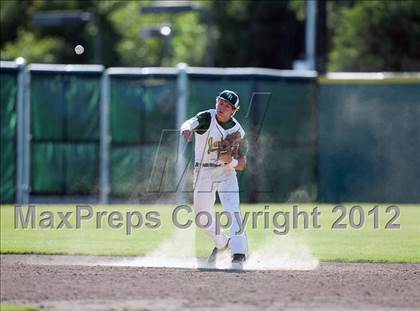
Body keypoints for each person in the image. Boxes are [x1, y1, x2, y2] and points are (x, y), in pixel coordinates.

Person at [180, 90, 248, 268]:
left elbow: (242, 163)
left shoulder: (238, 131)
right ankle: (223, 243)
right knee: (201, 217)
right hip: (203, 172)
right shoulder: (207, 118)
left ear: (234, 110)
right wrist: (186, 128)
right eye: (221, 102)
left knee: (232, 208)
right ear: (216, 101)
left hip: (225, 172)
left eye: (227, 106)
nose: (222, 107)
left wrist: (230, 160)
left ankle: (239, 253)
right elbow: (191, 122)